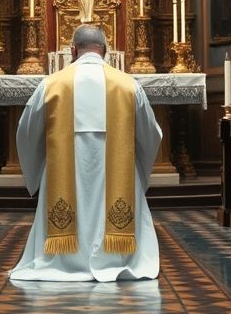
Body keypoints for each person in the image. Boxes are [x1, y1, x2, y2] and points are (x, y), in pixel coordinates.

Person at [9, 25, 162, 282]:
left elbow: (25, 133)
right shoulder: (127, 85)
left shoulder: (51, 84)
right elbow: (151, 135)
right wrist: (139, 170)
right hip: (118, 175)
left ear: (72, 51)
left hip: (63, 173)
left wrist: (37, 170)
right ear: (106, 51)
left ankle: (64, 261)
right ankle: (117, 259)